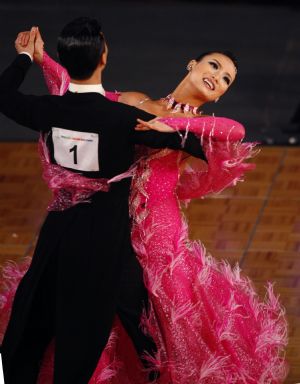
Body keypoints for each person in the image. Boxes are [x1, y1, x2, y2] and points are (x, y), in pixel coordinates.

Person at [1, 24, 288, 384]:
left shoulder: (199, 125)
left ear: (220, 95)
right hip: (118, 221)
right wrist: (44, 58)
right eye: (213, 66)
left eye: (226, 78)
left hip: (158, 228)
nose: (217, 76)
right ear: (192, 65)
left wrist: (172, 127)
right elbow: (89, 98)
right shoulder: (137, 101)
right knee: (111, 305)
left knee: (159, 316)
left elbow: (237, 131)